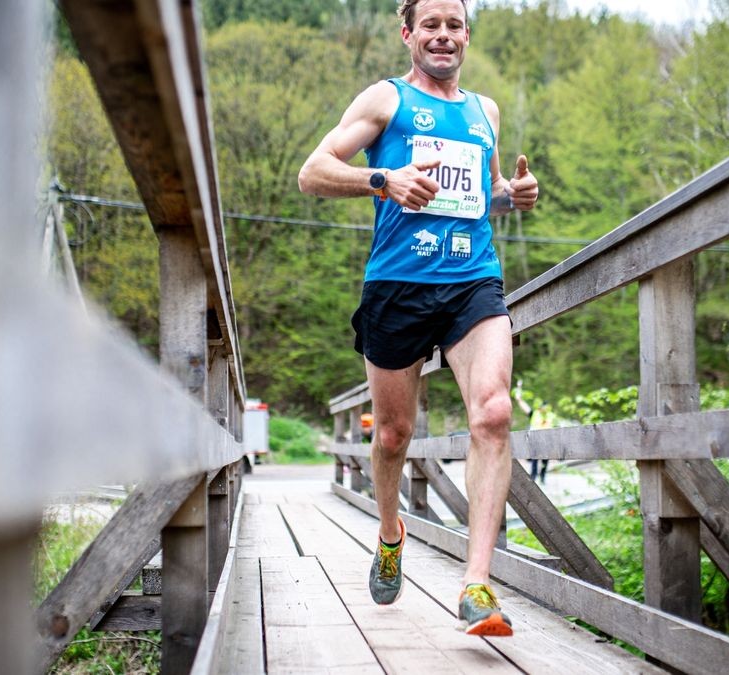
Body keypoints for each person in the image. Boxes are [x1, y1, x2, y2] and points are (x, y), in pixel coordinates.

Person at [297, 0, 539, 637]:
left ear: (467, 35)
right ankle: (389, 532)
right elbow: (312, 172)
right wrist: (384, 180)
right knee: (393, 436)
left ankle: (477, 584)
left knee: (492, 412)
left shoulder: (484, 111)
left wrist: (511, 196)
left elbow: (479, 196)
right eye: (430, 25)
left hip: (471, 279)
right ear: (408, 34)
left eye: (454, 24)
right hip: (398, 286)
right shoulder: (384, 100)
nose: (443, 35)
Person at [511, 381, 553, 484]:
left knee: (545, 463)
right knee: (534, 463)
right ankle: (533, 481)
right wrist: (519, 387)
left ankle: (543, 480)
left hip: (547, 442)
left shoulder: (550, 415)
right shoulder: (534, 413)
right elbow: (520, 401)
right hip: (535, 441)